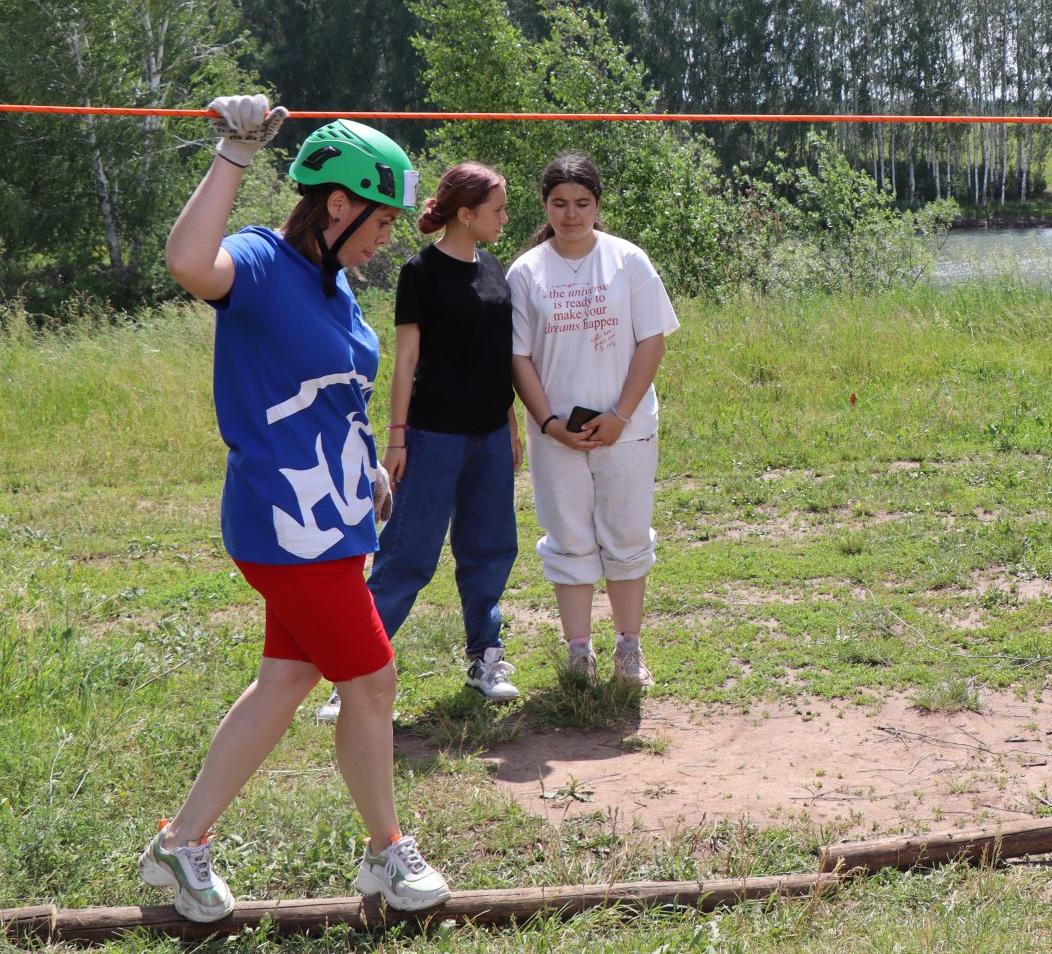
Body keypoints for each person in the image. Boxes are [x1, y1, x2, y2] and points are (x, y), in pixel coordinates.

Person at [141, 96, 449, 922]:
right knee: (374, 679)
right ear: (338, 206)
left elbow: (329, 397)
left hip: (334, 517)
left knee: (284, 680)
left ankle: (179, 846)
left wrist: (366, 470)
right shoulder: (264, 263)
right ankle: (386, 853)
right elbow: (186, 261)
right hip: (283, 527)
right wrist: (234, 152)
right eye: (381, 220)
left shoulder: (337, 287)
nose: (390, 237)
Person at [313, 163, 524, 721]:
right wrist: (398, 439)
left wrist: (511, 420)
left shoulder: (496, 270)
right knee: (407, 555)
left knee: (490, 548)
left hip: (490, 438)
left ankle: (486, 658)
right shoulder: (421, 272)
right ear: (466, 213)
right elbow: (406, 361)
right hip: (431, 437)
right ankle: (353, 677)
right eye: (498, 208)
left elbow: (494, 355)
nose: (505, 218)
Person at [508, 152, 678, 684]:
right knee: (569, 538)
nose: (571, 214)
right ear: (545, 205)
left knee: (626, 536)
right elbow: (518, 357)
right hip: (555, 433)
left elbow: (651, 341)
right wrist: (548, 423)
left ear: (597, 205)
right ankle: (578, 651)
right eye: (559, 203)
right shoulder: (526, 270)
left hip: (626, 427)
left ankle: (630, 648)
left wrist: (621, 415)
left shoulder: (628, 260)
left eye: (582, 203)